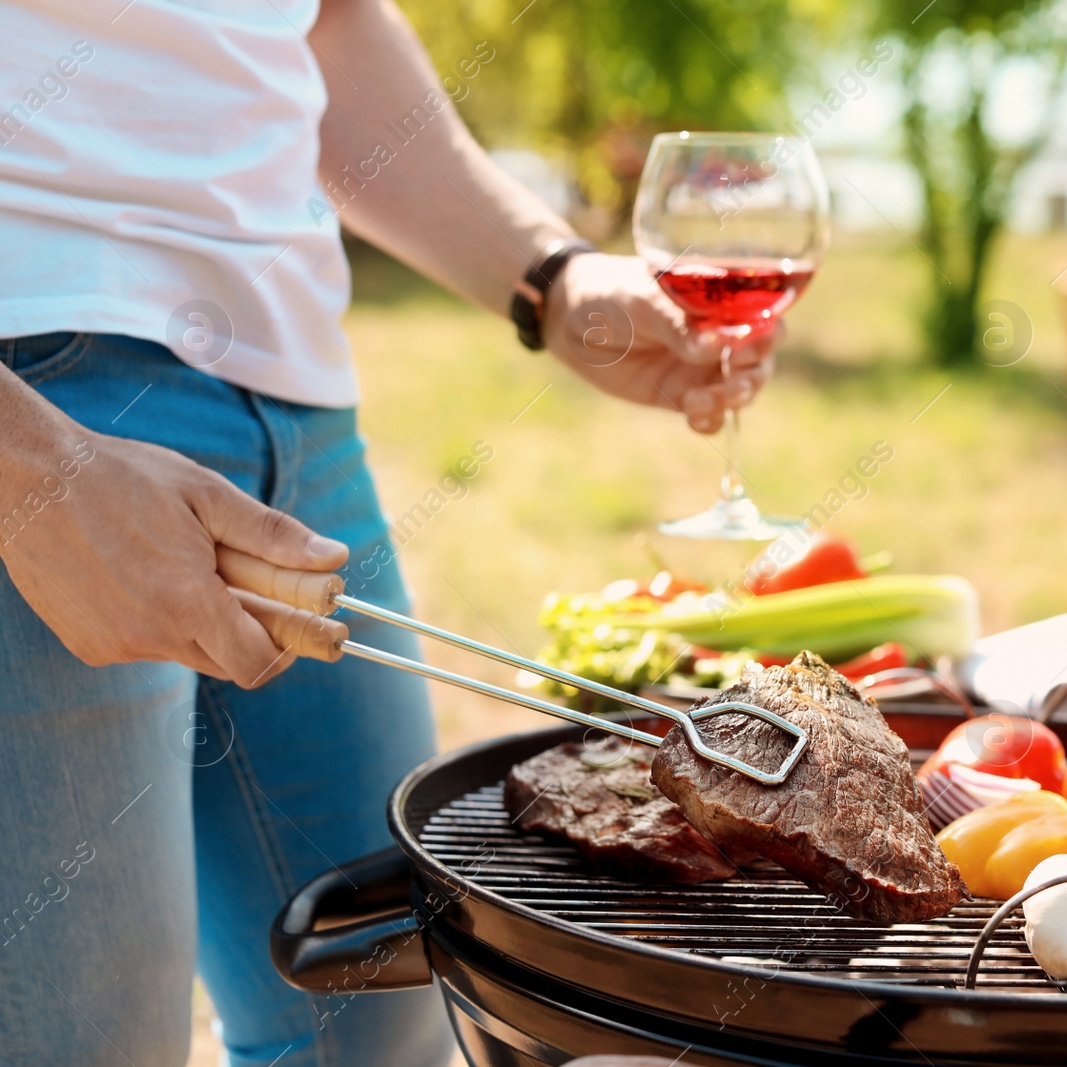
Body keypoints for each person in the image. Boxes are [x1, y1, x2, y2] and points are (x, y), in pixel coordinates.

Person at [0, 2, 774, 1065]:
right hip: (37, 398)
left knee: (380, 1016)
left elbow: (327, 24)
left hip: (294, 402)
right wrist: (28, 470)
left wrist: (550, 276)